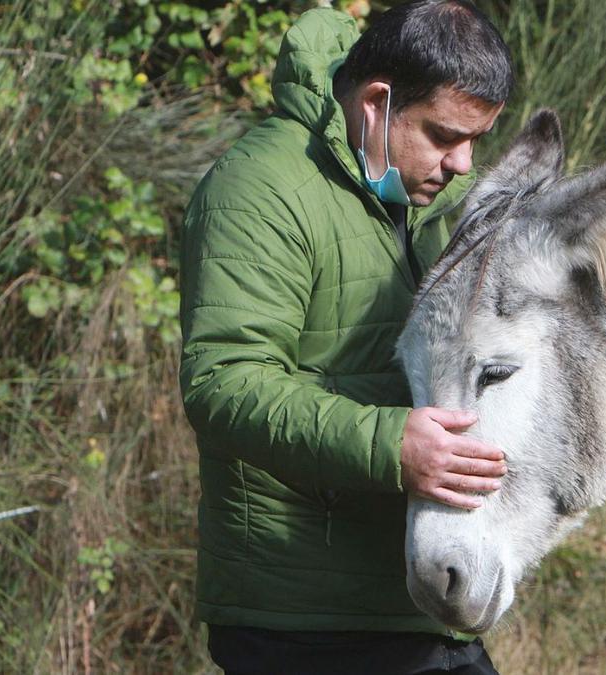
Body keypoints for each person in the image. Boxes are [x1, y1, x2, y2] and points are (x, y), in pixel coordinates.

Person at [177, 2, 514, 673]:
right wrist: (393, 444)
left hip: (423, 603)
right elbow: (223, 384)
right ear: (377, 101)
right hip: (304, 620)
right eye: (445, 136)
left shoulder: (428, 205)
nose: (462, 164)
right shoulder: (260, 188)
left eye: (475, 140)